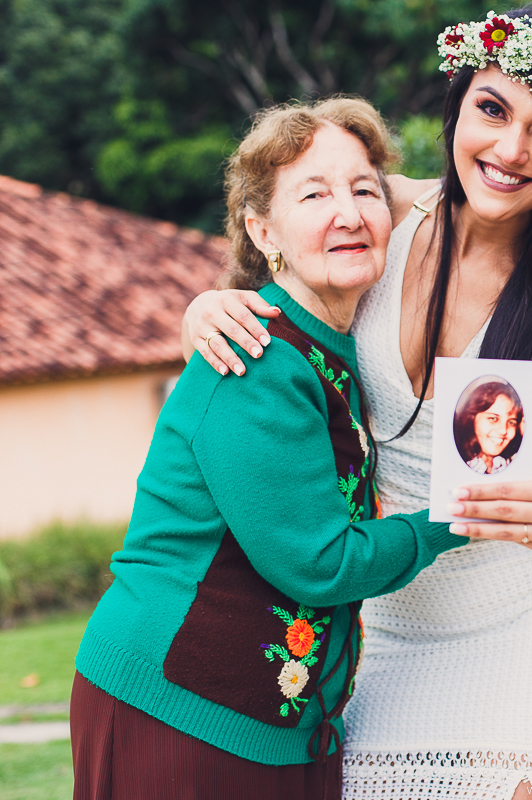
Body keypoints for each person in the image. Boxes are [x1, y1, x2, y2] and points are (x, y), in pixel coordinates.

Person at [180, 5, 532, 798]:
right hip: (397, 607)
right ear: (457, 106)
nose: (510, 149)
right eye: (492, 110)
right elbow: (278, 246)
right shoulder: (383, 211)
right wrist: (209, 304)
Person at [71, 98, 467, 800]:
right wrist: (457, 513)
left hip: (272, 719)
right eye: (313, 195)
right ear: (262, 229)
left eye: (364, 190)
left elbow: (488, 192)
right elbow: (319, 562)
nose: (347, 213)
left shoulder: (335, 341)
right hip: (179, 711)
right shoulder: (258, 357)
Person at [454, 379, 524, 474]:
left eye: (511, 422)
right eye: (493, 419)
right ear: (472, 418)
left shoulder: (509, 465)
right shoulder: (456, 466)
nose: (503, 430)